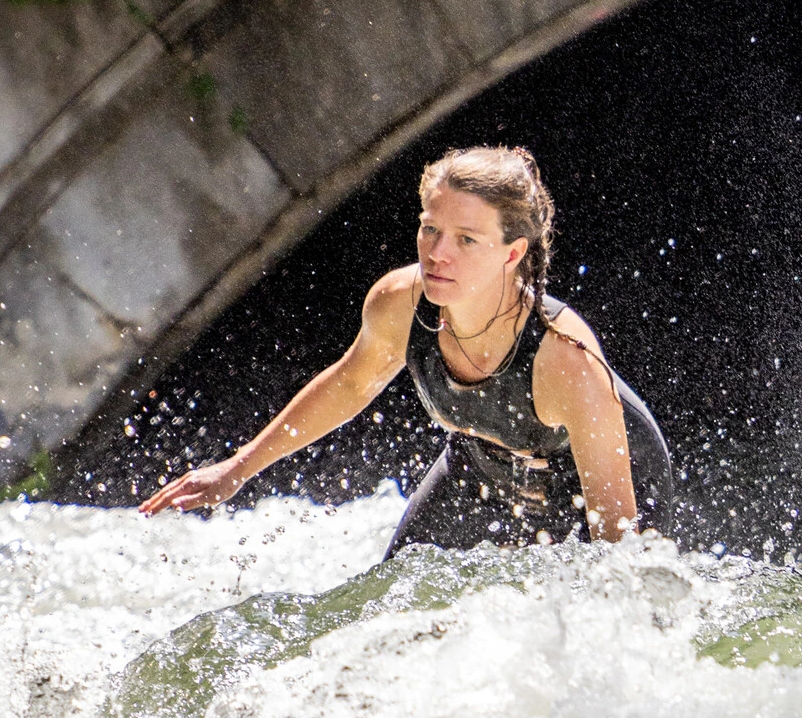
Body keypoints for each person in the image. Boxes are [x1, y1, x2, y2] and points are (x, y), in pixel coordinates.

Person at [141, 145, 672, 556]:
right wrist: (237, 468)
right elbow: (351, 383)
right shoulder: (398, 303)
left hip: (597, 488)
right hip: (481, 469)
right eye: (430, 229)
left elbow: (615, 547)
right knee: (395, 605)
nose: (437, 253)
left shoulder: (565, 358)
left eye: (466, 239)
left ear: (513, 253)